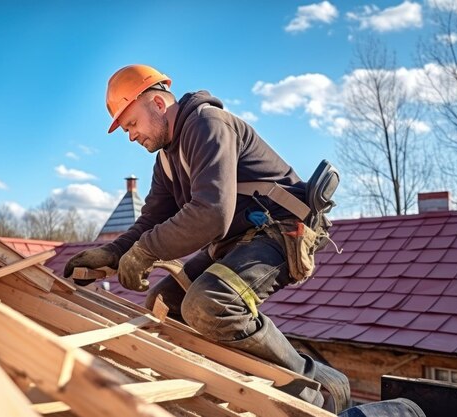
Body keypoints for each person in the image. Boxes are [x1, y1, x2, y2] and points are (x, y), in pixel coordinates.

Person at [64, 64, 350, 412]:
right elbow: (152, 220)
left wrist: (145, 252)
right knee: (165, 306)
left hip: (280, 230)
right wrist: (112, 253)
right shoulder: (168, 160)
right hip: (238, 240)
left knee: (209, 303)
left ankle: (313, 393)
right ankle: (221, 390)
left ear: (156, 103)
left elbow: (212, 213)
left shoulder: (207, 124)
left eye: (132, 124)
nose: (131, 136)